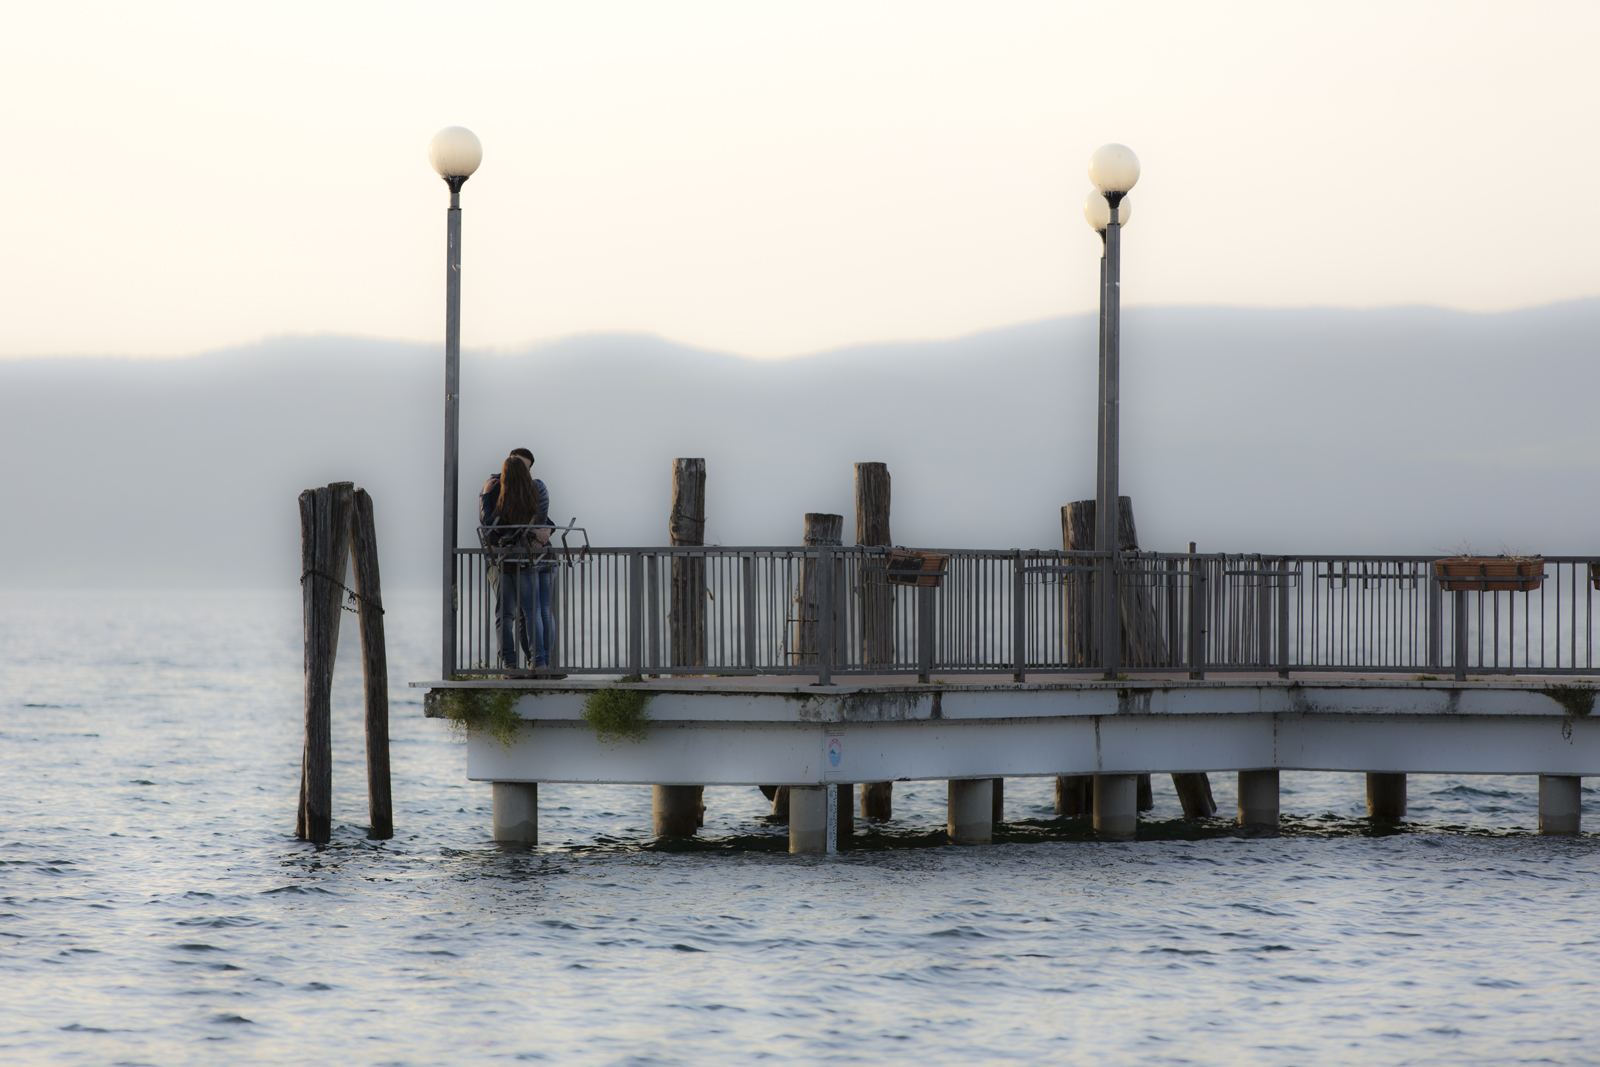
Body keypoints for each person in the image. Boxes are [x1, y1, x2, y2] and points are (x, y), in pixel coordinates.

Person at [480, 449, 556, 672]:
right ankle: (538, 662)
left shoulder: (504, 490)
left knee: (523, 613)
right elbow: (540, 520)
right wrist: (540, 532)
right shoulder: (529, 488)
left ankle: (530, 663)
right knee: (534, 611)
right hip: (532, 557)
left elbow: (491, 523)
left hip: (519, 558)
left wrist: (485, 496)